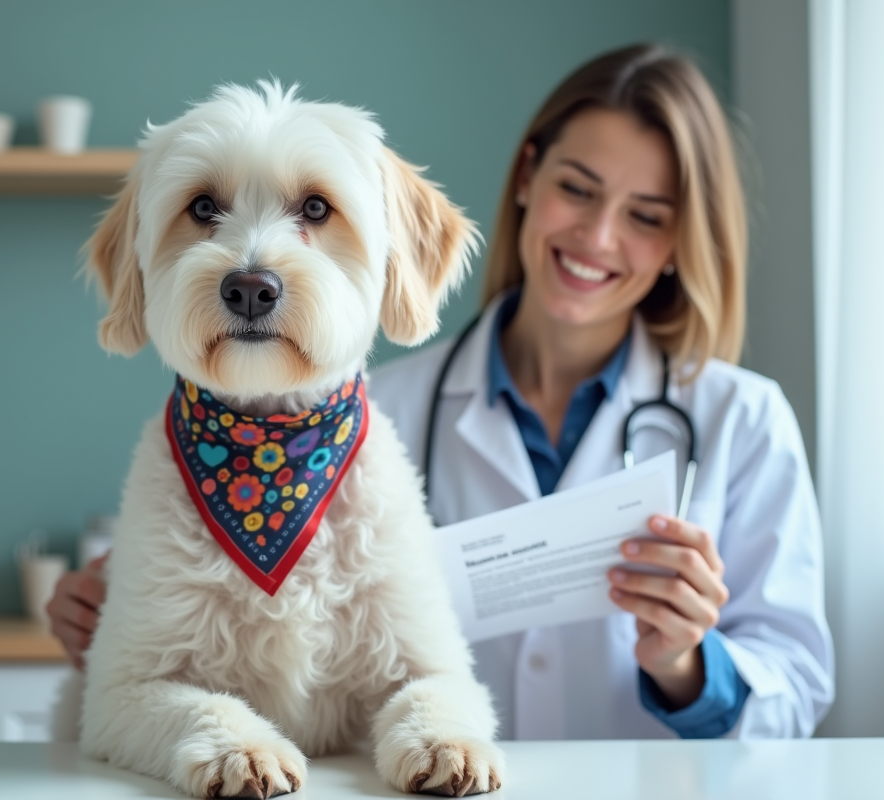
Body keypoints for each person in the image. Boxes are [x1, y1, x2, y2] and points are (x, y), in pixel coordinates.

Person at [47, 43, 834, 740]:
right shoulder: (372, 405)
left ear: (679, 243)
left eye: (647, 215)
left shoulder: (745, 420)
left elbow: (798, 693)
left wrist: (690, 665)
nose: (597, 238)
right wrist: (107, 616)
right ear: (528, 177)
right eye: (578, 189)